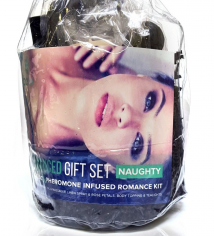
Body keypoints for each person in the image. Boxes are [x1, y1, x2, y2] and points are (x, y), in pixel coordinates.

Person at [21, 43, 174, 170]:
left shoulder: (32, 155)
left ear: (113, 168)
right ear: (142, 77)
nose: (126, 115)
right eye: (149, 101)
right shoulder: (79, 37)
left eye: (137, 146)